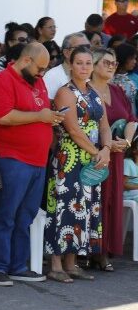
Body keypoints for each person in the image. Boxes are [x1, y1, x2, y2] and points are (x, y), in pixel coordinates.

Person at [0, 42, 56, 286]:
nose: (42, 73)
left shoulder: (37, 81)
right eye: (41, 68)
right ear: (26, 60)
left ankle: (18, 265)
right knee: (7, 213)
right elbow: (3, 116)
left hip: (37, 159)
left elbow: (42, 111)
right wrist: (40, 116)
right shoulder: (3, 80)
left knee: (26, 215)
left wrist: (50, 117)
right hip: (12, 157)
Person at [45, 48, 111, 283]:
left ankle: (71, 263)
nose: (84, 67)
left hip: (92, 158)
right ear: (70, 65)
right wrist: (97, 152)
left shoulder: (95, 92)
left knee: (82, 210)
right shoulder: (65, 92)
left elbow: (104, 124)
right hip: (69, 158)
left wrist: (106, 149)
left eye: (87, 63)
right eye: (79, 63)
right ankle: (55, 265)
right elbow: (72, 129)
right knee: (63, 208)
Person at [88, 48, 135, 272]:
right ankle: (86, 251)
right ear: (94, 64)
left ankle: (104, 251)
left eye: (114, 63)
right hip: (91, 154)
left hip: (116, 155)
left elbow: (132, 119)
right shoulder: (85, 90)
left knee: (110, 202)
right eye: (106, 62)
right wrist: (105, 146)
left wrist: (125, 142)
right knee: (92, 203)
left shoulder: (117, 91)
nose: (111, 66)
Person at [43, 33, 91, 100]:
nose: (85, 51)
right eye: (80, 48)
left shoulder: (89, 75)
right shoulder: (52, 76)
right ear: (66, 53)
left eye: (88, 47)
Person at [112, 43, 138, 115]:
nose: (135, 61)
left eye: (135, 58)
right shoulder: (109, 78)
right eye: (131, 58)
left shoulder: (135, 77)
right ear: (123, 58)